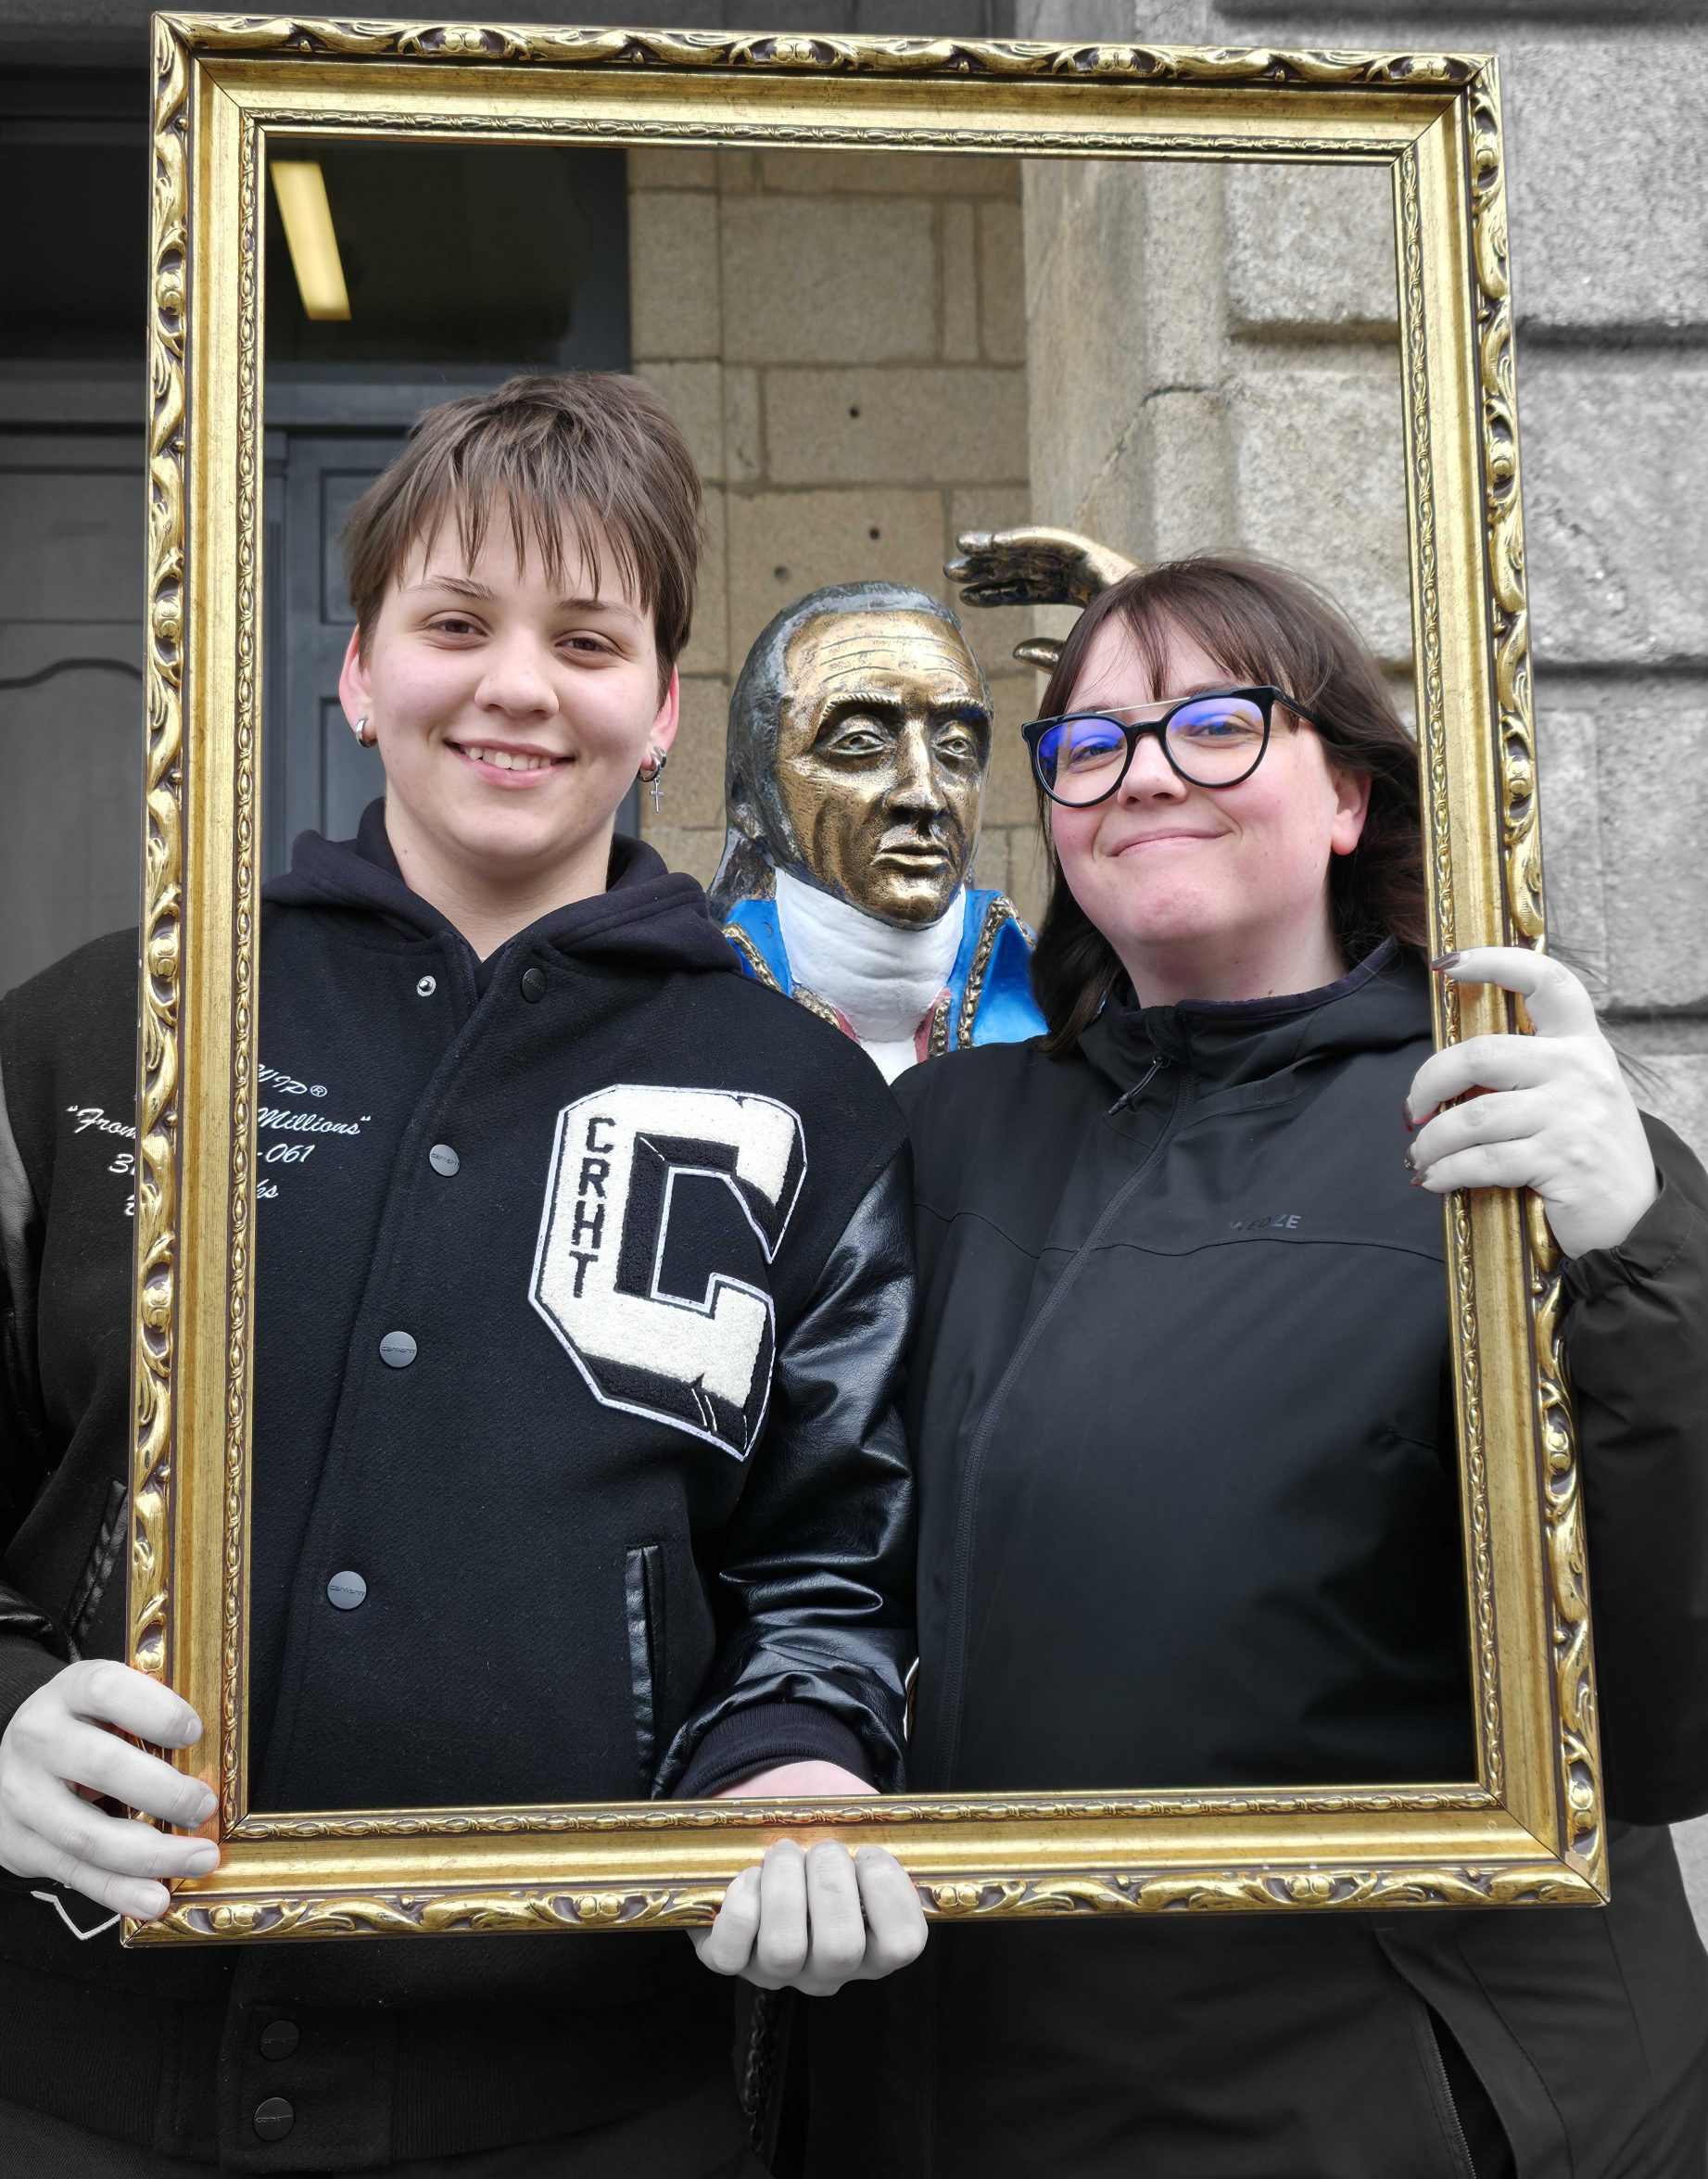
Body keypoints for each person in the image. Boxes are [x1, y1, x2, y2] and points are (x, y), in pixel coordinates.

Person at [0, 374, 924, 2176]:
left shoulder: (803, 1099)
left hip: (581, 2083)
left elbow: (830, 1549)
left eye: (586, 640)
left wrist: (802, 1752)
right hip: (65, 2063)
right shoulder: (111, 1028)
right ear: (358, 672)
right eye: (453, 624)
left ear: (661, 709)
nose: (516, 685)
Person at [807, 555, 1708, 2178]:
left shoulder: (1509, 1141)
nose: (1144, 773)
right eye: (1089, 743)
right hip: (980, 2092)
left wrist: (1635, 1258)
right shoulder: (946, 1138)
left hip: (1392, 2103)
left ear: (1346, 797)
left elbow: (1665, 1713)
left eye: (1215, 724)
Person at [709, 582, 1044, 1080]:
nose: (924, 796)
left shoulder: (1064, 1007)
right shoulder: (695, 1017)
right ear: (750, 799)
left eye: (955, 745)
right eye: (860, 741)